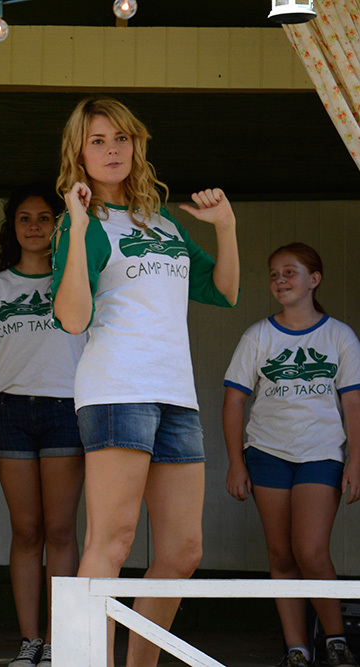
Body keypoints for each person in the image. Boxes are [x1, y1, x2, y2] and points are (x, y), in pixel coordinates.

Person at [50, 96, 239, 666]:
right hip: (116, 390)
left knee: (183, 550)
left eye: (121, 139)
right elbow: (73, 318)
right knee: (111, 541)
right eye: (98, 141)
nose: (112, 151)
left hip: (176, 395)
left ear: (138, 145)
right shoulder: (80, 223)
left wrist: (226, 225)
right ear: (79, 155)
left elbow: (225, 291)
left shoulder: (164, 222)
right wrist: (79, 228)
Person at [0, 186, 85, 667]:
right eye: (24, 219)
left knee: (59, 528)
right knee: (27, 529)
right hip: (8, 415)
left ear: (59, 226)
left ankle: (59, 639)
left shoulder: (76, 282)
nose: (34, 226)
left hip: (65, 413)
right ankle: (30, 640)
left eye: (44, 218)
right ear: (12, 229)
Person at [223, 243, 360, 667]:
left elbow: (353, 403)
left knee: (311, 551)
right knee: (281, 555)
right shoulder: (258, 335)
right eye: (274, 274)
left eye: (290, 273)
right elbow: (233, 401)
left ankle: (335, 642)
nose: (280, 281)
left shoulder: (339, 335)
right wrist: (236, 462)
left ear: (313, 280)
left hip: (321, 453)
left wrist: (356, 459)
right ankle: (296, 648)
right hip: (266, 453)